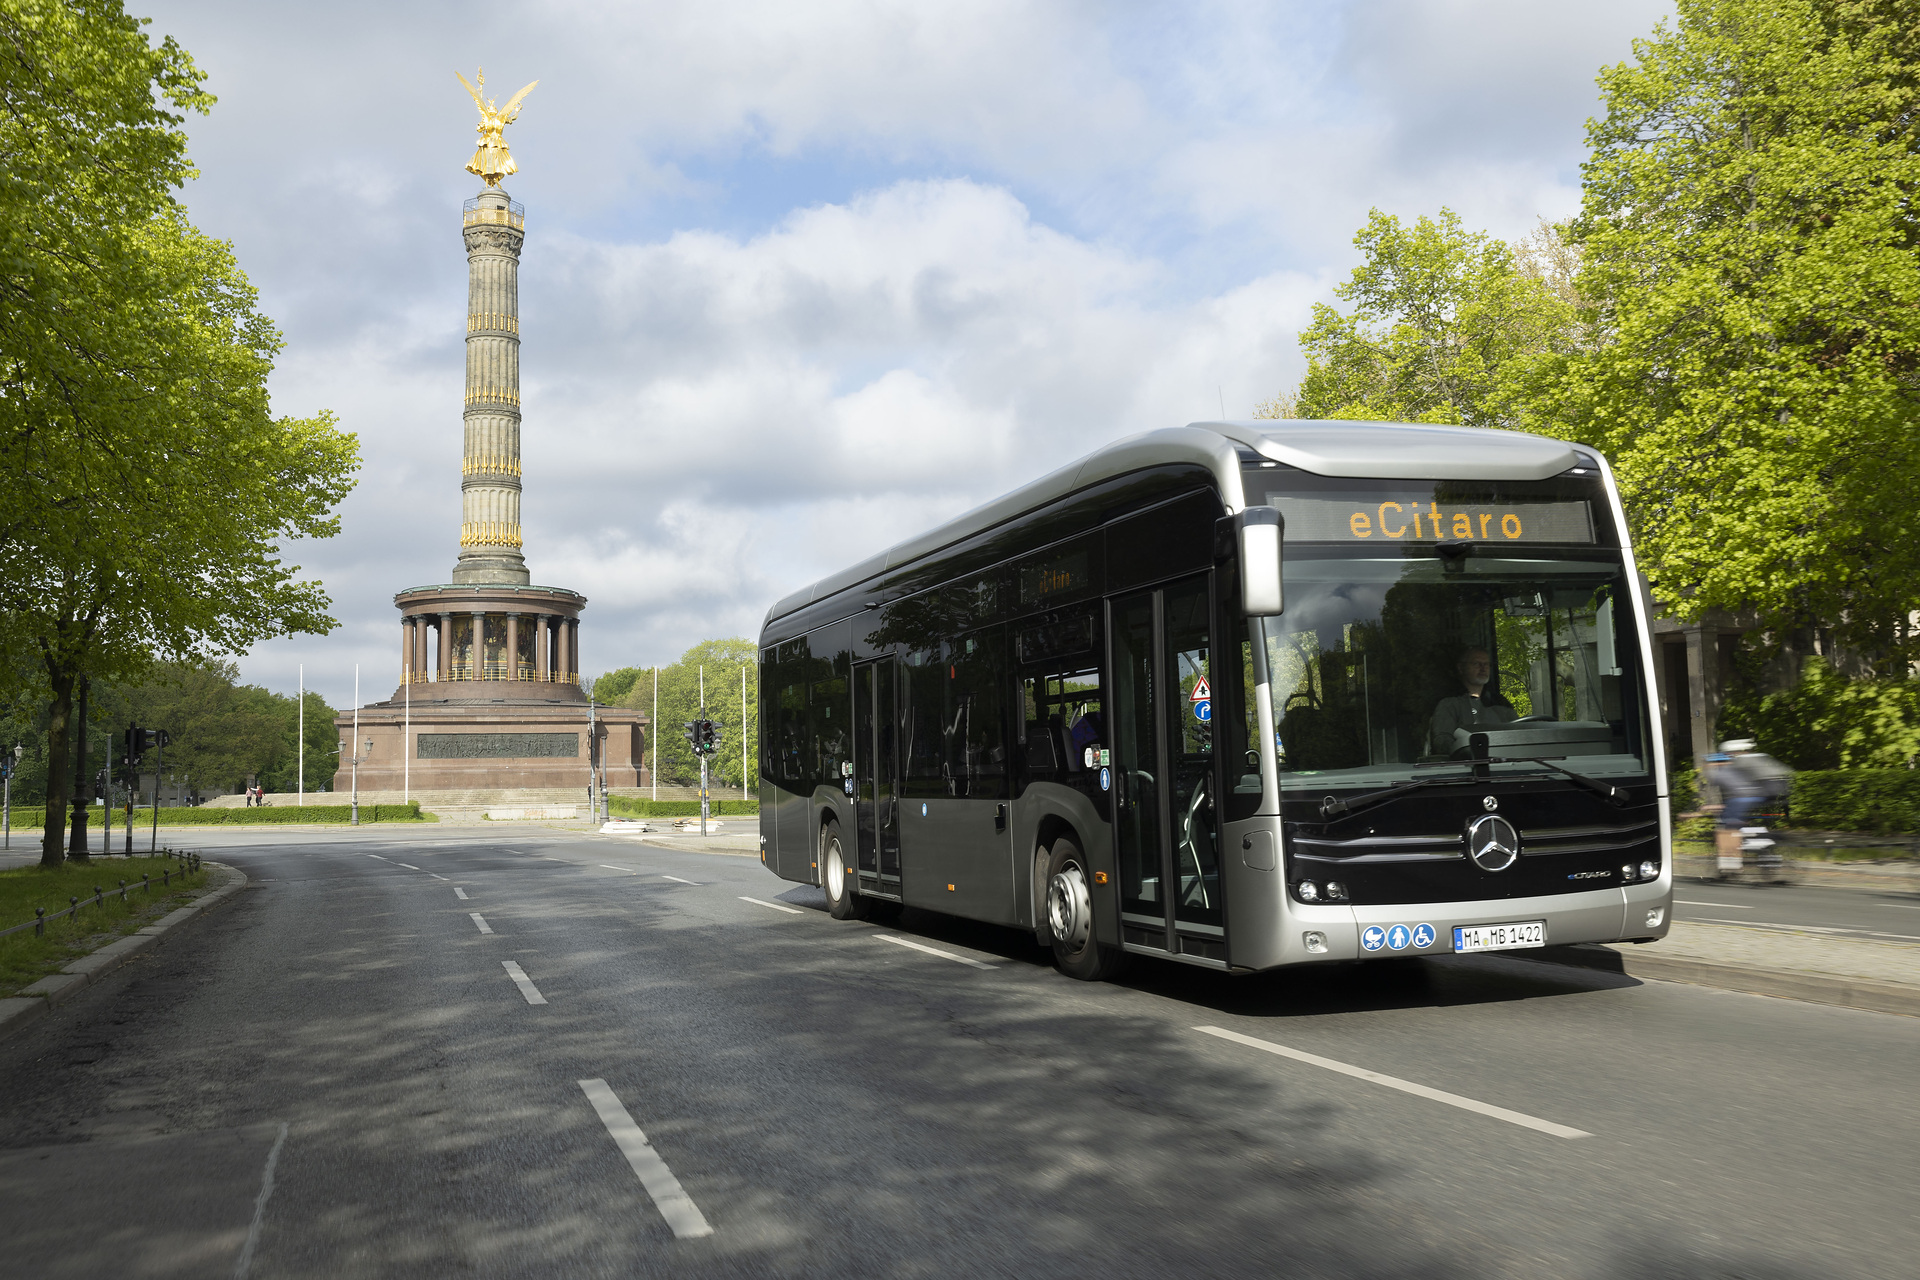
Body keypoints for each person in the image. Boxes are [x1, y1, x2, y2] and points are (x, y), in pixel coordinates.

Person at [1428, 646, 1518, 755]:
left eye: (1486, 664)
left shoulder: (1501, 703)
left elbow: (1517, 735)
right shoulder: (1449, 704)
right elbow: (1443, 742)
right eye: (1476, 663)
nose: (1483, 668)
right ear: (1461, 668)